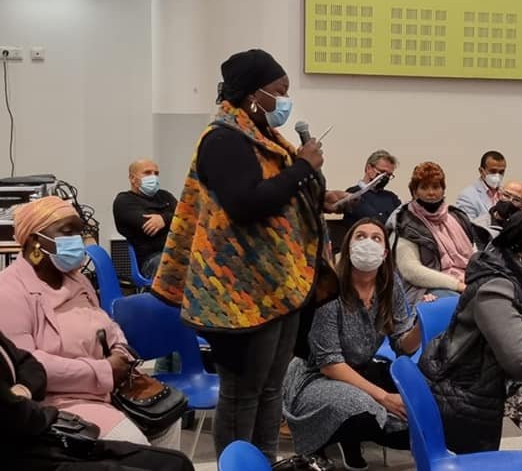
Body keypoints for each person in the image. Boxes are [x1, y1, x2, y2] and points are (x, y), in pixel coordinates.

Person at [152, 49, 340, 459]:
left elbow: (282, 196)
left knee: (271, 390)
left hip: (280, 287)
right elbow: (246, 203)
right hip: (238, 292)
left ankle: (263, 463)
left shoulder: (267, 140)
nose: (285, 101)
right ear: (254, 94)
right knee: (242, 395)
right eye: (279, 91)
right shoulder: (222, 139)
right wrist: (303, 168)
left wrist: (319, 191)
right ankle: (237, 466)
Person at [0, 196, 180, 448]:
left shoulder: (78, 280)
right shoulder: (9, 290)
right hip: (58, 399)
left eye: (79, 231)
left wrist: (120, 354)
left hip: (109, 389)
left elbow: (109, 326)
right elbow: (28, 366)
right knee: (132, 442)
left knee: (167, 416)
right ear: (35, 241)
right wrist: (104, 371)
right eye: (67, 232)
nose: (78, 240)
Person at [419, 210, 522, 469]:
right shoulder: (495, 287)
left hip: (507, 368)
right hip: (474, 380)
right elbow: (518, 359)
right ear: (521, 247)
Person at [283, 219, 420, 469]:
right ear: (347, 248)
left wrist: (420, 325)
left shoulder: (390, 286)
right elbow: (330, 364)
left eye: (376, 238)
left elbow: (403, 345)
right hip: (315, 376)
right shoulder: (329, 288)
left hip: (360, 369)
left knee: (414, 409)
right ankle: (320, 444)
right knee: (365, 411)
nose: (368, 242)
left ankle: (350, 437)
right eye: (360, 236)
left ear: (385, 252)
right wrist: (384, 397)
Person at [1, 330, 195, 471]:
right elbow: (19, 412)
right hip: (52, 413)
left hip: (102, 391)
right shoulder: (13, 289)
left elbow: (29, 364)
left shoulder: (79, 284)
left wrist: (120, 352)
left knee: (175, 456)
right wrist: (103, 369)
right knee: (139, 445)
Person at [394, 161, 477, 304]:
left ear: (443, 190)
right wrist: (457, 285)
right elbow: (411, 271)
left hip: (467, 281)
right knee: (462, 304)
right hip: (425, 288)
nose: (431, 192)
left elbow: (475, 255)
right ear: (415, 192)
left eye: (436, 186)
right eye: (424, 187)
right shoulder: (406, 223)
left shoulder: (458, 217)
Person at [112, 159, 178, 279]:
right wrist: (173, 221)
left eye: (156, 173)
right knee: (174, 265)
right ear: (133, 178)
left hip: (178, 251)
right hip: (151, 259)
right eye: (147, 173)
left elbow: (186, 218)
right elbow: (149, 227)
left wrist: (163, 219)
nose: (153, 177)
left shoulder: (165, 196)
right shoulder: (124, 201)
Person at [342, 150, 401, 228]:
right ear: (369, 168)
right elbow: (373, 220)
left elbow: (402, 222)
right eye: (383, 172)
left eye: (389, 175)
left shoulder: (391, 197)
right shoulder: (353, 193)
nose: (386, 178)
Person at [472, 180, 522, 248]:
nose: (509, 201)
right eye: (506, 196)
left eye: (516, 200)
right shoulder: (479, 226)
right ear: (498, 195)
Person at [455, 151, 507, 220]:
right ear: (481, 171)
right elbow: (468, 227)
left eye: (501, 172)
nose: (497, 175)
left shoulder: (506, 194)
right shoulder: (467, 197)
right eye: (493, 171)